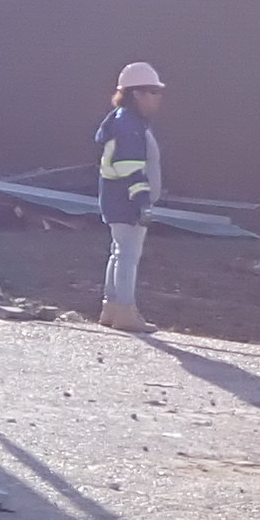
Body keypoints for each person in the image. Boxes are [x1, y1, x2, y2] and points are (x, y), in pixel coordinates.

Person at [93, 59, 165, 331]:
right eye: (153, 92)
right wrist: (143, 203)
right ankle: (125, 312)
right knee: (127, 255)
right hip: (126, 202)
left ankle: (111, 308)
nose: (157, 99)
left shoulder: (124, 122)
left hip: (115, 200)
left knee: (118, 252)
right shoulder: (130, 126)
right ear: (138, 94)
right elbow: (130, 168)